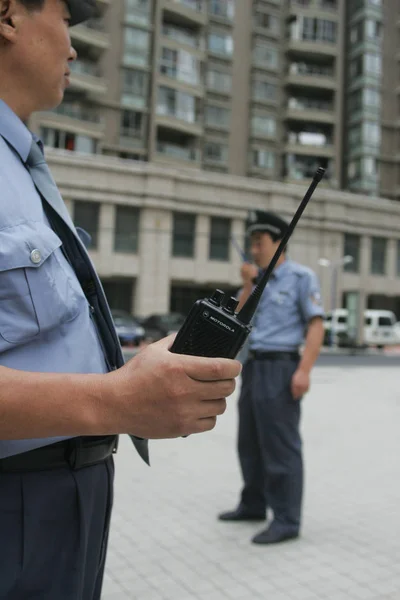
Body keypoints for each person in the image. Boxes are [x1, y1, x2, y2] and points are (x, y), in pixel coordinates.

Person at [0, 1, 241, 598]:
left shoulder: (21, 160)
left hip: (65, 494)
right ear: (7, 14)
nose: (74, 48)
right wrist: (116, 398)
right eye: (65, 19)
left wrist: (132, 384)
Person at [218, 209, 324, 544]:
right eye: (251, 243)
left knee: (280, 445)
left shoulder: (301, 278)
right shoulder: (256, 281)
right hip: (253, 367)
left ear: (279, 242)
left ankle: (287, 519)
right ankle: (253, 504)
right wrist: (248, 283)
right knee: (249, 441)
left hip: (281, 367)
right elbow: (237, 317)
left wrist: (304, 370)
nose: (254, 250)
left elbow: (316, 324)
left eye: (260, 242)